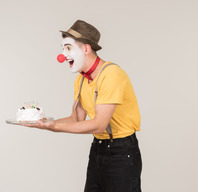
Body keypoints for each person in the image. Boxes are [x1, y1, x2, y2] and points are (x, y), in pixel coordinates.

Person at [24, 20, 142, 192]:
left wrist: (55, 126)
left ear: (86, 49)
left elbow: (99, 124)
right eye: (63, 48)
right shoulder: (81, 79)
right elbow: (76, 118)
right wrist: (45, 123)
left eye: (68, 48)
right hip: (98, 148)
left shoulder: (111, 75)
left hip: (121, 151)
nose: (63, 55)